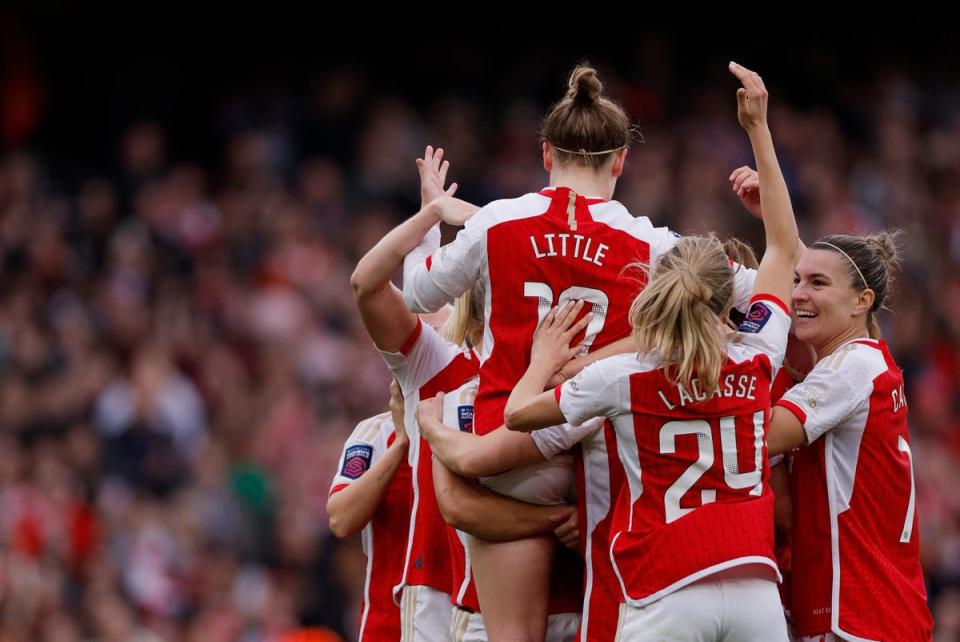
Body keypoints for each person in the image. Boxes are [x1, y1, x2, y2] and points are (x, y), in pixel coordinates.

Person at [504, 62, 797, 641]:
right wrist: (758, 127)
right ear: (724, 298)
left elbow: (516, 416)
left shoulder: (625, 373)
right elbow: (784, 251)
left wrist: (541, 362)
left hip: (664, 586)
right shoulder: (757, 354)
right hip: (755, 586)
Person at [764, 231, 934, 641]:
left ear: (863, 301)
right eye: (796, 281)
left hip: (859, 616)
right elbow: (810, 258)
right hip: (881, 612)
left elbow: (755, 435)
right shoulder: (864, 360)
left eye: (816, 284)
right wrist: (772, 213)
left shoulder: (850, 368)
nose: (798, 294)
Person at [327, 381, 412, 641]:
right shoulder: (373, 433)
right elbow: (341, 519)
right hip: (389, 624)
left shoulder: (470, 418)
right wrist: (400, 445)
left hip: (463, 618)